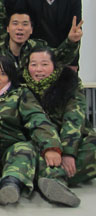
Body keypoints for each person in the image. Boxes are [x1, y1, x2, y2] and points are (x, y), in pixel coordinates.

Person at [0, 55, 67, 206]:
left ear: (10, 77)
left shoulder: (21, 94)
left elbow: (37, 118)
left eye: (3, 73)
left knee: (24, 150)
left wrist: (51, 146)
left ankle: (11, 185)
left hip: (13, 144)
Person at [23, 48, 94, 206]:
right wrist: (52, 148)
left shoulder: (69, 84)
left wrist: (68, 152)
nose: (39, 69)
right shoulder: (22, 88)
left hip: (69, 139)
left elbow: (74, 118)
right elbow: (36, 121)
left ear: (54, 66)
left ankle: (50, 177)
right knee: (27, 152)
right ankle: (55, 180)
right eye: (33, 64)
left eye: (44, 64)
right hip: (41, 141)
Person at [6, 0, 82, 67]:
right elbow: (14, 14)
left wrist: (73, 63)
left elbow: (75, 31)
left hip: (63, 53)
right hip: (34, 55)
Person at [0, 12, 80, 71]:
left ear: (31, 30)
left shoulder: (38, 46)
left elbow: (60, 58)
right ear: (8, 28)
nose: (20, 28)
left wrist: (71, 41)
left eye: (25, 24)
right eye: (15, 24)